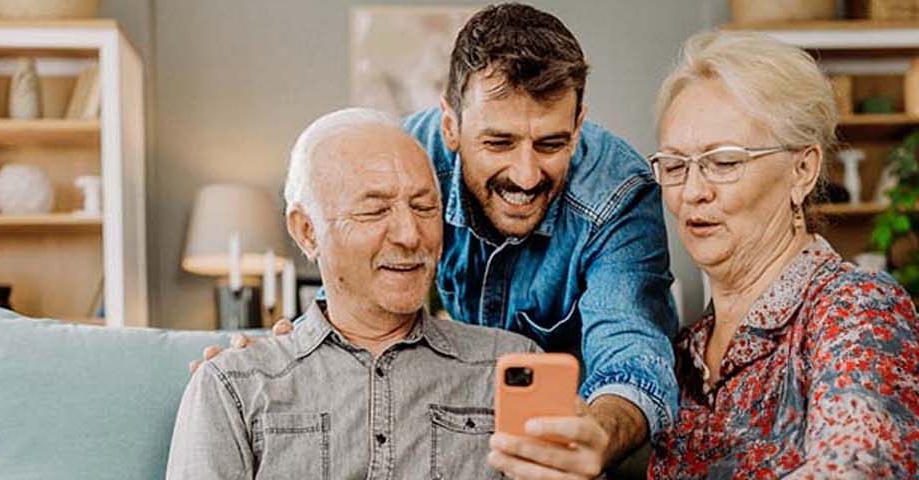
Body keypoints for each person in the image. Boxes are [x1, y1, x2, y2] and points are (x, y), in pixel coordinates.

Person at [199, 4, 680, 477]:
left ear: (577, 125)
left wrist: (598, 432)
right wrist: (283, 353)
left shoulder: (619, 193)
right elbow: (356, 270)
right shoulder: (409, 159)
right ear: (450, 125)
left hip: (572, 404)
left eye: (551, 144)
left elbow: (632, 353)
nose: (526, 174)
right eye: (498, 143)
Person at [645, 32, 919, 478]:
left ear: (803, 169)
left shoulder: (855, 308)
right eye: (675, 165)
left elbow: (858, 468)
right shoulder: (683, 354)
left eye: (723, 162)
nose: (692, 192)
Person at [165, 108, 540, 479]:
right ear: (307, 231)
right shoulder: (234, 384)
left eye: (424, 207)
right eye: (375, 211)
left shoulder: (511, 366)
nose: (410, 235)